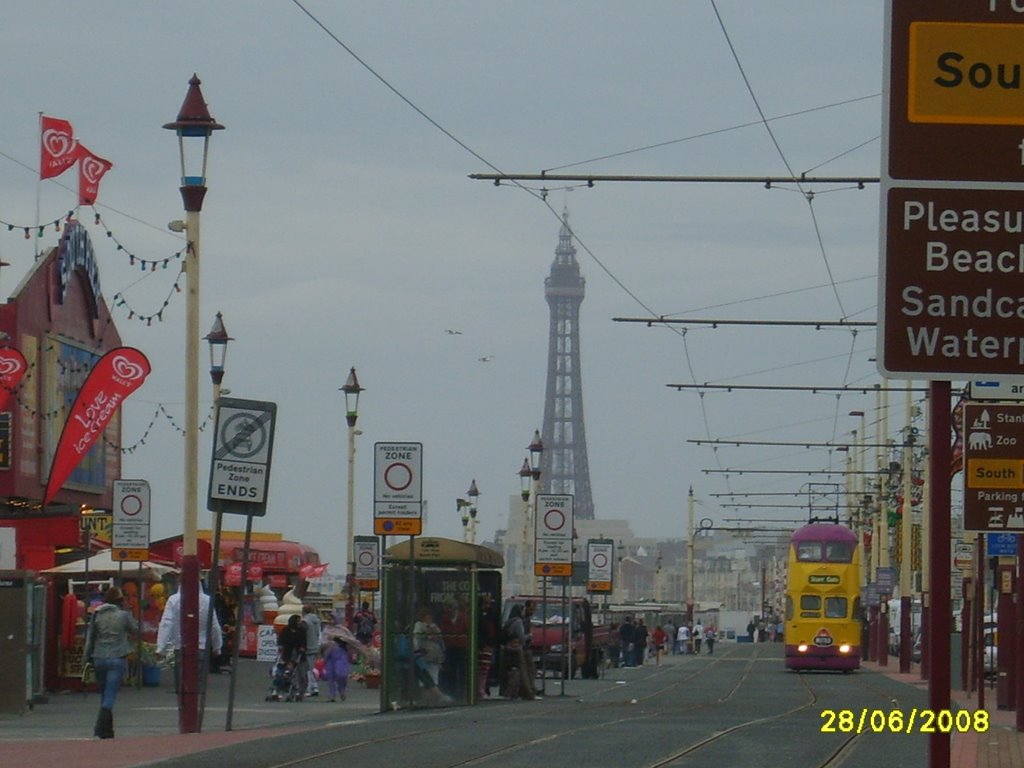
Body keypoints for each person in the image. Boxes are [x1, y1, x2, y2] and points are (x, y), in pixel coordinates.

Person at [84, 586, 137, 739]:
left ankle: (108, 730)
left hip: (99, 657)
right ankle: (100, 727)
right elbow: (135, 630)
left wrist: (86, 658)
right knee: (111, 694)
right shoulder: (123, 615)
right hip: (117, 657)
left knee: (104, 692)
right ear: (120, 601)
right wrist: (130, 612)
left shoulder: (97, 614)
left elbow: (90, 638)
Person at [156, 578, 223, 693]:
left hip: (180, 646)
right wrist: (217, 646)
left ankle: (183, 706)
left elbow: (166, 623)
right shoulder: (207, 601)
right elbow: (214, 625)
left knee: (182, 686)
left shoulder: (174, 600)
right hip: (201, 647)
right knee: (198, 687)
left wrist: (160, 647)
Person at [502, 604, 536, 699]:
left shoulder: (509, 621)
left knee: (515, 671)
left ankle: (518, 691)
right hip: (517, 648)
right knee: (523, 669)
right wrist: (529, 635)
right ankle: (528, 691)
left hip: (508, 648)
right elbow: (521, 637)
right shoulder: (518, 621)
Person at [440, 597, 469, 698]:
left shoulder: (464, 617)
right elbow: (444, 632)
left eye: (449, 610)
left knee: (462, 670)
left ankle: (462, 692)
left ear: (454, 609)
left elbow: (468, 631)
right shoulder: (445, 618)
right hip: (450, 648)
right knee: (451, 670)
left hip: (462, 647)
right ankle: (452, 692)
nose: (448, 613)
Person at [278, 614, 308, 698]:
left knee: (302, 674)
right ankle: (289, 689)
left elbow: (304, 642)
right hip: (288, 653)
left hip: (299, 654)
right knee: (289, 673)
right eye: (298, 621)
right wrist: (280, 646)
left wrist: (303, 647)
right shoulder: (285, 630)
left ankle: (301, 691)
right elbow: (281, 640)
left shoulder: (302, 630)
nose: (299, 623)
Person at [413, 607, 444, 685]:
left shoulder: (434, 626)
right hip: (424, 654)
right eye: (427, 617)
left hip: (434, 655)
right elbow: (418, 636)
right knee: (424, 679)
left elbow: (439, 636)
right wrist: (429, 636)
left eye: (430, 617)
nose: (429, 619)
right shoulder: (419, 625)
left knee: (434, 677)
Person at [477, 593, 501, 697]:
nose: (488, 606)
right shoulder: (477, 614)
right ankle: (480, 689)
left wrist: (493, 643)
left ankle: (483, 688)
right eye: (486, 603)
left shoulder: (492, 614)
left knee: (486, 668)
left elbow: (496, 629)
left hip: (489, 645)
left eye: (489, 603)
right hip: (482, 645)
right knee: (481, 668)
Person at [320, 635, 350, 701]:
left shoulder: (341, 630)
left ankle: (342, 689)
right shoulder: (325, 630)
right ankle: (332, 695)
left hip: (340, 654)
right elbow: (321, 644)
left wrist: (336, 638)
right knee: (330, 676)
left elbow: (349, 641)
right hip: (328, 655)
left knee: (341, 674)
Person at [301, 605, 322, 696]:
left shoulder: (305, 621)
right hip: (315, 645)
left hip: (308, 646)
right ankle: (315, 686)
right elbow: (318, 633)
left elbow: (303, 634)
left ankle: (309, 688)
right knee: (312, 667)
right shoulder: (317, 620)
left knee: (307, 669)